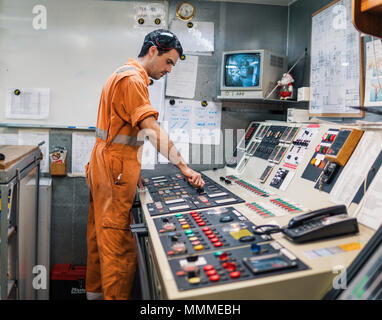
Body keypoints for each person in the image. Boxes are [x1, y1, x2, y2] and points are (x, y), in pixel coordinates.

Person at [85, 29, 205, 300]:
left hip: (106, 167)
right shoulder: (133, 80)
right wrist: (183, 166)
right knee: (117, 245)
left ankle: (94, 294)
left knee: (98, 239)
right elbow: (150, 129)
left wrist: (131, 170)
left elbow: (120, 134)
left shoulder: (120, 73)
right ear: (153, 50)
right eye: (169, 62)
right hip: (113, 171)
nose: (170, 70)